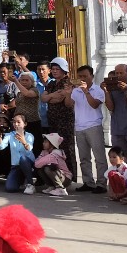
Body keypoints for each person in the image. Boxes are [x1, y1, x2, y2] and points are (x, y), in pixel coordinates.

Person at [70, 64, 107, 193]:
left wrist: (86, 92)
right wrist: (69, 91)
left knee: (99, 157)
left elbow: (95, 105)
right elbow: (68, 104)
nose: (82, 79)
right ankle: (88, 182)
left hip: (94, 126)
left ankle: (101, 183)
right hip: (79, 127)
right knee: (84, 157)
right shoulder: (76, 90)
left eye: (85, 76)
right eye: (80, 76)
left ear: (92, 76)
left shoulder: (98, 90)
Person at [43, 58, 77, 186]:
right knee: (54, 147)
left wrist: (51, 97)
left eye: (58, 69)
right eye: (53, 69)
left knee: (66, 148)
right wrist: (53, 96)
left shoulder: (67, 83)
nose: (55, 71)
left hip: (65, 120)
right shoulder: (51, 84)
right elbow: (44, 98)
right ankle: (56, 176)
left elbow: (61, 99)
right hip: (53, 120)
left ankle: (69, 177)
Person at [101, 64, 127, 156]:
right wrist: (106, 92)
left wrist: (126, 91)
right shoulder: (111, 90)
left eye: (121, 73)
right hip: (117, 130)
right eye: (117, 73)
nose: (119, 75)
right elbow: (110, 107)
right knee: (120, 159)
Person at [0, 113, 36, 194]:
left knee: (23, 158)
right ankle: (22, 179)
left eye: (18, 122)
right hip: (16, 165)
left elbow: (29, 148)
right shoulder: (10, 135)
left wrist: (23, 141)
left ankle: (30, 184)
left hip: (28, 162)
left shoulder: (29, 136)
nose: (16, 124)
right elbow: (1, 147)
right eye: (14, 122)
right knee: (10, 188)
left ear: (25, 124)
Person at [34, 133, 71, 197]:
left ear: (52, 144)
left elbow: (37, 163)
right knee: (40, 169)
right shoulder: (44, 152)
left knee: (49, 168)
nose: (43, 143)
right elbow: (37, 163)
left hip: (66, 178)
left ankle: (60, 188)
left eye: (45, 142)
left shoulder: (56, 153)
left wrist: (40, 161)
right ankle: (52, 186)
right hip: (59, 176)